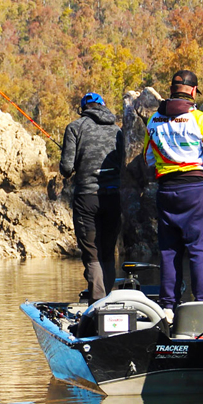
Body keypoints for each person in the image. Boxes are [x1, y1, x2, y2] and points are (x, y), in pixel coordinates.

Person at [143, 70, 203, 317]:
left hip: (166, 191)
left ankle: (168, 307)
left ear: (171, 90)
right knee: (200, 250)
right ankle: (202, 305)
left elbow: (149, 159)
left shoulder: (153, 121)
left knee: (169, 252)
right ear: (192, 91)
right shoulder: (200, 119)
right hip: (195, 191)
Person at [60, 92, 124, 302]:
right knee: (107, 252)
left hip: (87, 198)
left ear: (84, 108)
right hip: (113, 198)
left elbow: (66, 168)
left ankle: (98, 306)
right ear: (103, 107)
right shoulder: (117, 131)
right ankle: (109, 302)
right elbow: (121, 165)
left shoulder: (75, 127)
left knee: (93, 254)